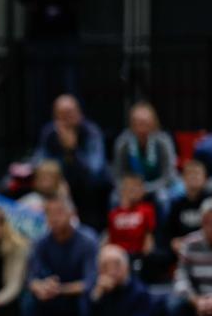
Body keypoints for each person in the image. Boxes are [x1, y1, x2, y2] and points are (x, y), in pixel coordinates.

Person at [16, 0, 86, 131]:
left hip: (66, 38)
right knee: (38, 92)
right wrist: (46, 0)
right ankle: (38, 136)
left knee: (70, 90)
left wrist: (48, 0)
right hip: (39, 39)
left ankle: (74, 135)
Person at [22, 196, 99, 316]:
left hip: (76, 296)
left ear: (72, 214)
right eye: (49, 213)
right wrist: (40, 287)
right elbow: (31, 278)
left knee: (90, 299)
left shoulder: (88, 240)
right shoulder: (41, 242)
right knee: (29, 301)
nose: (54, 218)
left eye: (59, 212)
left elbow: (90, 282)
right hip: (52, 295)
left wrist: (60, 289)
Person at [33, 94, 108, 227]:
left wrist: (73, 150)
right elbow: (40, 163)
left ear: (79, 113)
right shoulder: (50, 133)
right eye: (61, 115)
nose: (66, 119)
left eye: (70, 113)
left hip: (89, 187)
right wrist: (57, 179)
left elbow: (95, 170)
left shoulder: (90, 132)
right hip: (60, 185)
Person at [81, 245, 151, 316]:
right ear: (98, 269)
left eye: (116, 264)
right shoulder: (94, 290)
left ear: (127, 266)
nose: (111, 271)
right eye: (105, 266)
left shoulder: (140, 293)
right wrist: (96, 298)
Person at [112, 101, 180, 215]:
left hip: (158, 186)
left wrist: (145, 189)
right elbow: (118, 175)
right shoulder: (123, 142)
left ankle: (161, 227)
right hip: (130, 187)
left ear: (153, 123)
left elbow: (168, 175)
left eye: (145, 123)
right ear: (131, 124)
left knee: (163, 198)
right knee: (114, 198)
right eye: (137, 123)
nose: (141, 128)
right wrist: (128, 190)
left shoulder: (163, 141)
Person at [167, 198, 212, 316]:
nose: (210, 226)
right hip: (195, 298)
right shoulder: (190, 243)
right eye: (207, 221)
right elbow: (180, 277)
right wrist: (195, 300)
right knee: (173, 307)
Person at [107, 174, 156, 259]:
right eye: (130, 188)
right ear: (123, 190)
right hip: (118, 255)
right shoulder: (113, 214)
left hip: (137, 255)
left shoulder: (147, 210)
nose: (134, 191)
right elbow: (110, 239)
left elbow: (149, 239)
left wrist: (145, 257)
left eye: (137, 187)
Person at [167, 160, 209, 255]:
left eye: (197, 174)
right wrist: (173, 242)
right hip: (183, 248)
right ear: (183, 178)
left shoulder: (210, 202)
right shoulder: (177, 204)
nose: (193, 177)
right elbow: (169, 232)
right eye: (190, 174)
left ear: (205, 179)